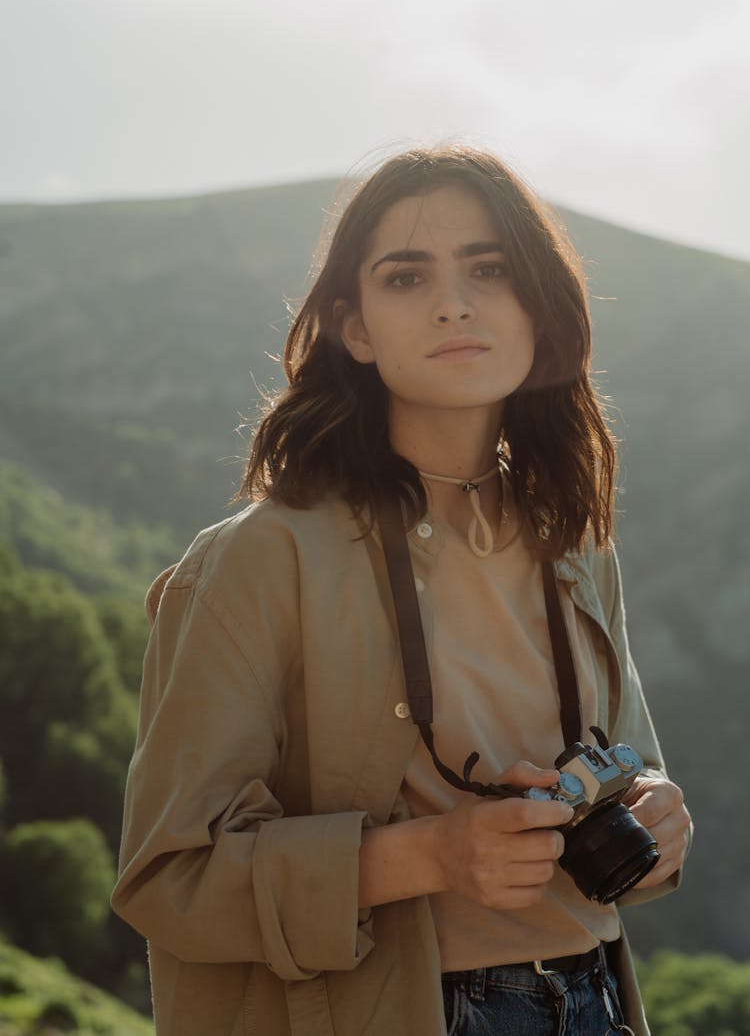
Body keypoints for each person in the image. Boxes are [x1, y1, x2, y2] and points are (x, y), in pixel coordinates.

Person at [112, 144, 692, 1036]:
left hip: (596, 1001)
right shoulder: (259, 557)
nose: (455, 302)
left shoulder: (575, 545)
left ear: (538, 303)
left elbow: (635, 764)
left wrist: (658, 818)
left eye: (489, 268)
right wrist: (427, 856)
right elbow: (168, 874)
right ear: (355, 328)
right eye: (406, 276)